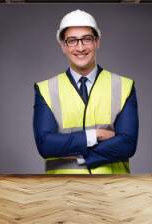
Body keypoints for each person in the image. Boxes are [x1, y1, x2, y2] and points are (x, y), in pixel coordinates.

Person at [33, 9, 139, 174]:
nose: (80, 47)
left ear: (97, 42)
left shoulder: (123, 85)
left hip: (112, 187)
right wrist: (94, 135)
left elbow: (127, 144)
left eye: (87, 39)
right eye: (72, 41)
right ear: (63, 46)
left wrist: (83, 158)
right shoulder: (46, 88)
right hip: (63, 190)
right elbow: (45, 145)